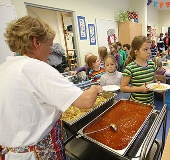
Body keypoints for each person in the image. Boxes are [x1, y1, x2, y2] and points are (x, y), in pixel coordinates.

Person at [0, 15, 102, 160]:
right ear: (36, 42)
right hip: (36, 154)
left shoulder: (5, 66)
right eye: (49, 45)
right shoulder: (35, 68)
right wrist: (95, 89)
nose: (50, 51)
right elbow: (85, 101)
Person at [121, 36, 157, 105]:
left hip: (150, 103)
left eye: (150, 48)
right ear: (136, 52)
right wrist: (139, 89)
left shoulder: (152, 65)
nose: (149, 52)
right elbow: (123, 88)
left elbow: (154, 81)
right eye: (145, 49)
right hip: (136, 104)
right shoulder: (130, 68)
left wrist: (158, 84)